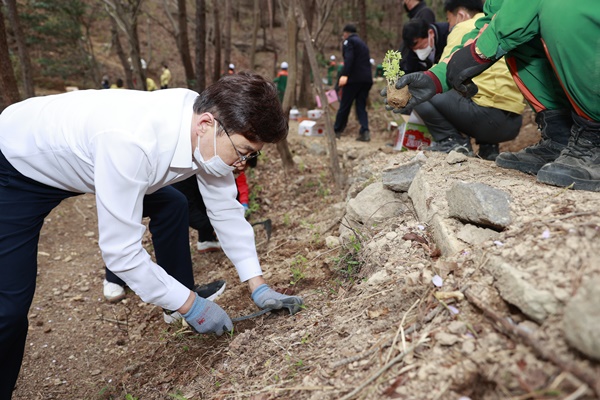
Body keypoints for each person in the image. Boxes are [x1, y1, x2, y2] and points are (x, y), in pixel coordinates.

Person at [0, 72, 304, 398]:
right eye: (242, 151)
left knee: (172, 204)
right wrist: (194, 307)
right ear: (206, 124)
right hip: (21, 164)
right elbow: (121, 253)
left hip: (92, 158)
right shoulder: (132, 143)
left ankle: (175, 301)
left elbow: (226, 211)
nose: (243, 164)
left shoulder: (205, 124)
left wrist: (257, 285)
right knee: (9, 309)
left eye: (251, 156)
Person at [386, 0, 600, 192]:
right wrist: (435, 78)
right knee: (520, 35)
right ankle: (560, 136)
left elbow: (512, 18)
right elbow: (491, 23)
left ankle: (594, 136)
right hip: (505, 120)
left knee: (563, 8)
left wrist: (479, 52)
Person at [413, 0, 525, 160]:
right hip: (513, 122)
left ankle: (452, 142)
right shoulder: (501, 24)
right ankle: (488, 147)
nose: (450, 25)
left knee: (421, 89)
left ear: (460, 15)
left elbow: (443, 74)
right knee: (479, 87)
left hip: (486, 120)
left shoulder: (464, 28)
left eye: (449, 19)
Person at [333, 24, 373, 142]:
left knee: (345, 105)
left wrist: (344, 75)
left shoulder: (349, 42)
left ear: (346, 33)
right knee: (361, 106)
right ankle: (365, 131)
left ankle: (336, 130)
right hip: (366, 79)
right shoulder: (362, 44)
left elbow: (349, 59)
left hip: (354, 79)